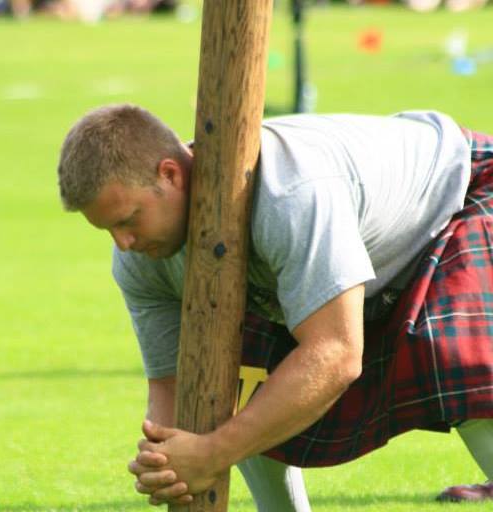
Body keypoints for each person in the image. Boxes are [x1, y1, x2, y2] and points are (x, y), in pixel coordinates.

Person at [57, 104, 493, 508]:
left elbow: (337, 354)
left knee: (453, 358)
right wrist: (169, 461)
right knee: (236, 384)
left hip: (459, 195)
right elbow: (173, 385)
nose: (124, 244)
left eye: (128, 220)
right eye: (108, 231)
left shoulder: (289, 194)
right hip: (372, 254)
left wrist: (212, 453)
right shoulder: (141, 260)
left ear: (170, 175)